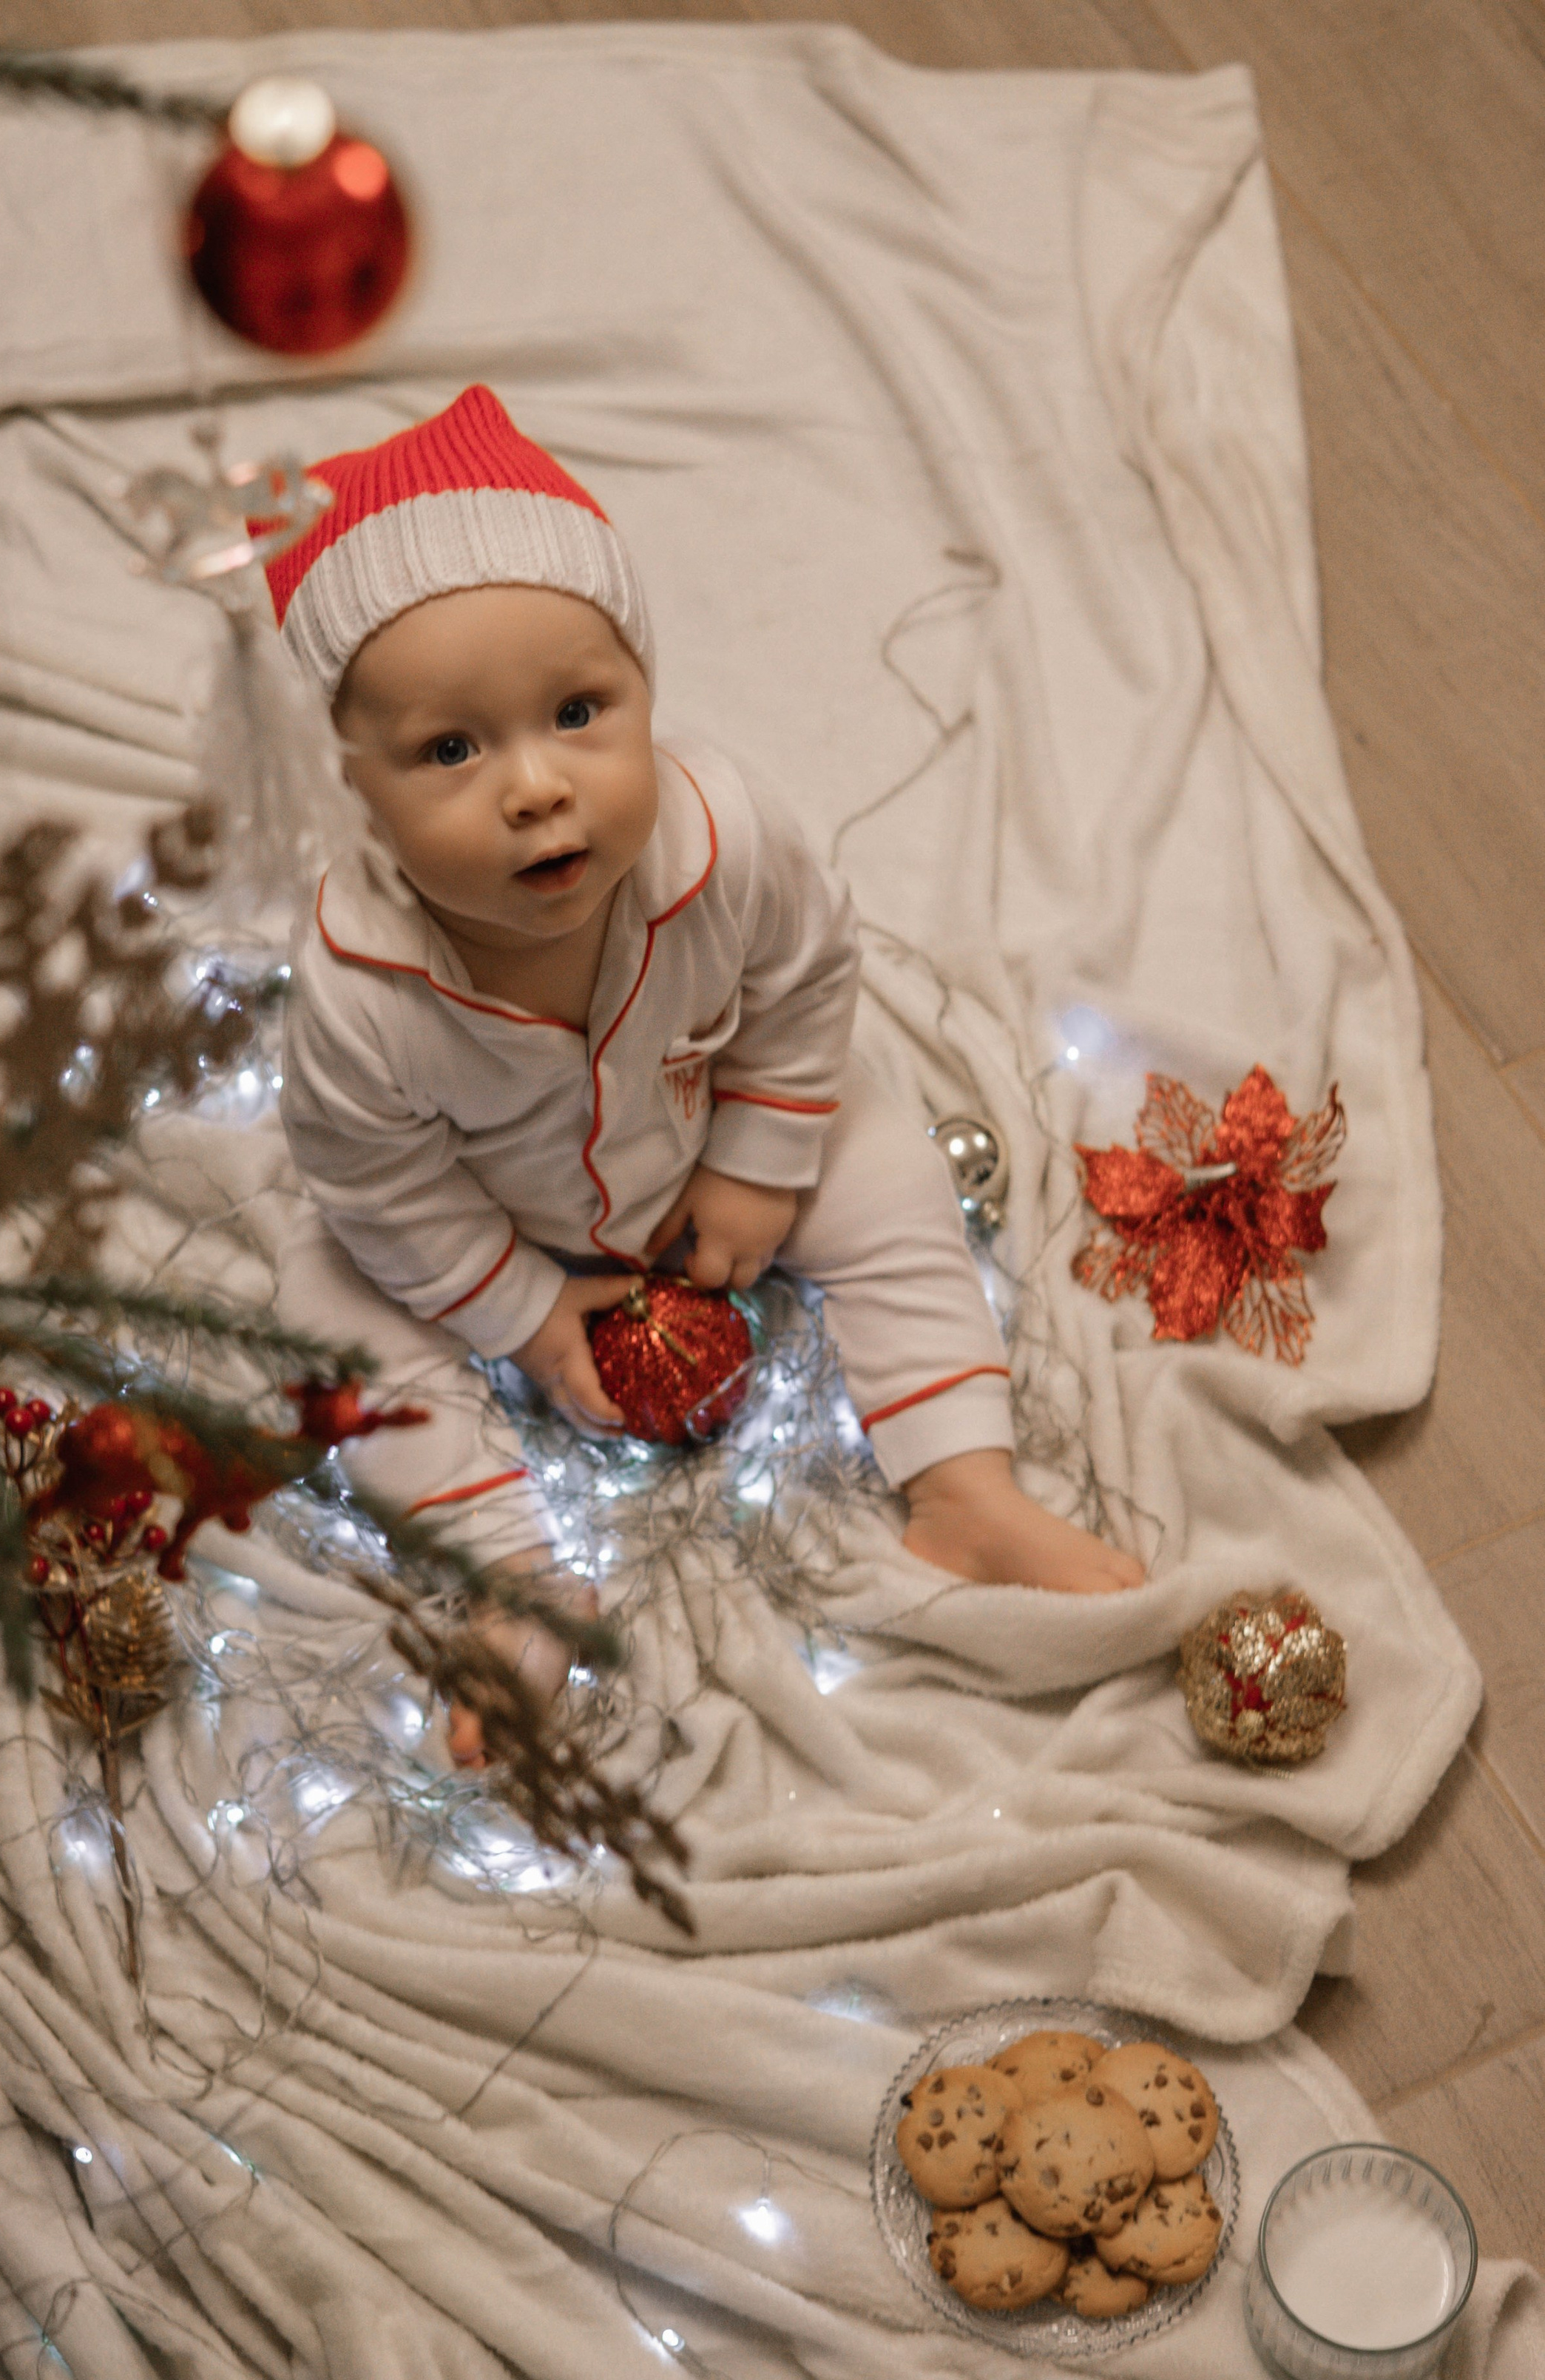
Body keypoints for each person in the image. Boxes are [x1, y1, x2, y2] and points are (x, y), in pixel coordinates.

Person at [271, 388, 1142, 1759]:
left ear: (645, 695)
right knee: (323, 1296)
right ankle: (514, 1585)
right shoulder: (358, 987)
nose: (537, 787)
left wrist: (755, 1160)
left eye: (578, 711)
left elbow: (804, 979)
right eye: (452, 749)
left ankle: (964, 1489)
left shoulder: (721, 837)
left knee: (883, 1162)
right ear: (350, 799)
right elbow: (377, 1179)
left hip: (703, 1139)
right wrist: (525, 1309)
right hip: (489, 1222)